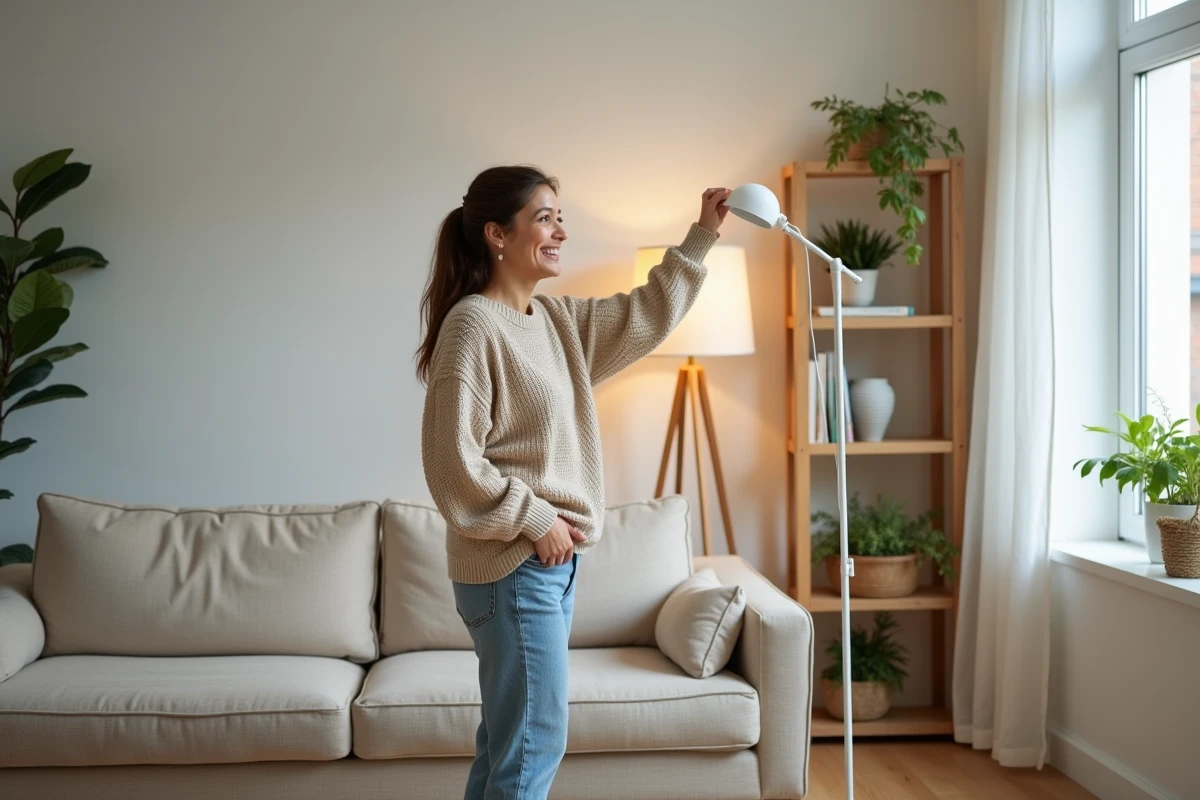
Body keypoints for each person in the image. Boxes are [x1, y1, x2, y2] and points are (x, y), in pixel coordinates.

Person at [416, 164, 730, 800]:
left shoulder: (556, 323)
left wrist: (701, 235)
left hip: (545, 566)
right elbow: (452, 463)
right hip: (512, 565)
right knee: (532, 746)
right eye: (544, 217)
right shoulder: (473, 326)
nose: (560, 231)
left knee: (511, 747)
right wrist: (537, 521)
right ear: (497, 235)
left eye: (561, 217)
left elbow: (645, 314)